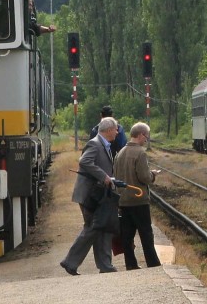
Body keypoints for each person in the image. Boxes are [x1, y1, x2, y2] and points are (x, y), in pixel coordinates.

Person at [60, 117, 121, 275]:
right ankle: (70, 262)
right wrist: (104, 176)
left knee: (102, 226)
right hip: (90, 196)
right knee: (93, 227)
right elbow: (84, 161)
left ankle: (105, 265)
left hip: (98, 194)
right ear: (109, 130)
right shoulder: (95, 144)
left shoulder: (104, 145)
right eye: (116, 129)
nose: (117, 132)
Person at [113, 121, 161, 270]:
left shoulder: (120, 153)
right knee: (146, 234)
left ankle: (131, 264)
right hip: (139, 200)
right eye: (146, 136)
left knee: (127, 236)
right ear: (140, 135)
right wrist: (153, 175)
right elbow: (144, 177)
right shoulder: (140, 153)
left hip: (123, 200)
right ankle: (153, 264)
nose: (146, 140)